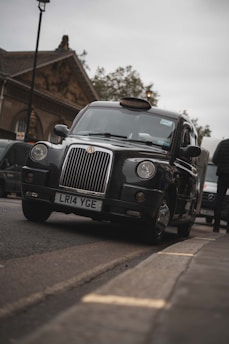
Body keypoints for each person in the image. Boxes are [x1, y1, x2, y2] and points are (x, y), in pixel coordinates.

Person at [212, 138, 229, 232]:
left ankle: (216, 226)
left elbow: (215, 159)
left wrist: (222, 165)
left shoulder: (223, 143)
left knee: (219, 200)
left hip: (222, 175)